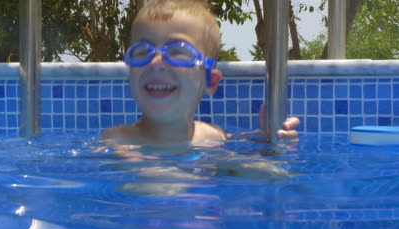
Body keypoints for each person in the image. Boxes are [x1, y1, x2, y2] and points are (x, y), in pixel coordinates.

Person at [101, 0, 299, 147]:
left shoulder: (214, 137)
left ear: (210, 81)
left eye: (177, 52)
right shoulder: (116, 140)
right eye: (143, 51)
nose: (155, 63)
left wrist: (268, 138)